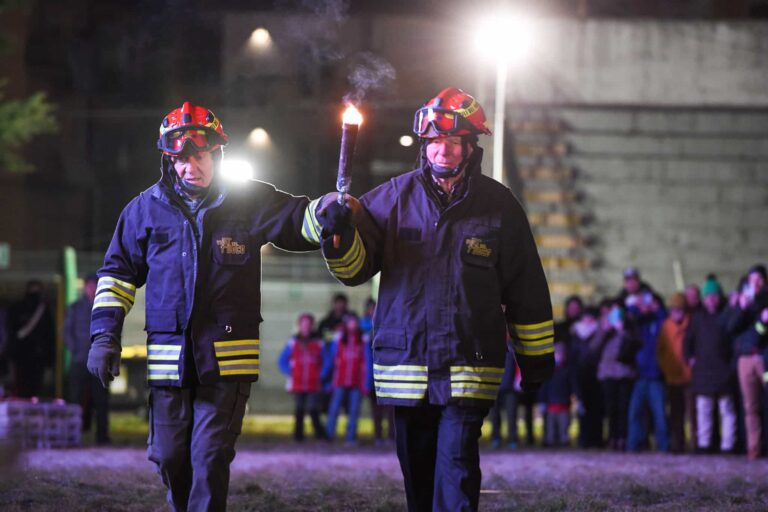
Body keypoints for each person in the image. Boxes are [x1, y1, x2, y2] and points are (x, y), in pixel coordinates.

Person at [312, 87, 554, 511]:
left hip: (468, 365)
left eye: (454, 141)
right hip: (407, 368)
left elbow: (526, 287)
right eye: (436, 141)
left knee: (457, 467)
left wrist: (535, 362)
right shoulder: (390, 199)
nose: (444, 150)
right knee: (418, 479)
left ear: (469, 147)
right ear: (425, 145)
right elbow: (354, 272)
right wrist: (338, 235)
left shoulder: (499, 206)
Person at [87, 102, 322, 510]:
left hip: (226, 365)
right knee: (171, 457)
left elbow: (299, 221)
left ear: (216, 154)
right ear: (168, 159)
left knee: (209, 458)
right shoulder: (143, 211)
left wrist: (328, 212)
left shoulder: (249, 202)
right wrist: (104, 336)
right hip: (169, 365)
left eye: (198, 156)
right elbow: (116, 277)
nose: (189, 167)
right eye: (179, 159)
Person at [685, 277, 737, 453]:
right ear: (704, 298)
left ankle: (728, 445)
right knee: (704, 410)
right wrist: (689, 358)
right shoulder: (697, 319)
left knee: (726, 410)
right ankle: (704, 444)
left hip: (723, 371)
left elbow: (733, 342)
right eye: (709, 296)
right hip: (703, 372)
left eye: (715, 296)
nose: (712, 299)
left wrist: (731, 365)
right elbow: (688, 342)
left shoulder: (727, 316)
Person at [725, 264, 768, 459]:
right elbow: (730, 327)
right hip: (745, 360)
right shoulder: (744, 303)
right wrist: (741, 308)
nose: (756, 283)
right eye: (752, 280)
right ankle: (754, 448)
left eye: (759, 279)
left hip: (764, 359)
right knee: (750, 406)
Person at [64, 274, 110, 444]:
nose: (91, 289)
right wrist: (75, 349)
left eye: (94, 286)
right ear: (84, 287)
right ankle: (72, 436)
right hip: (80, 359)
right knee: (75, 400)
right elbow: (67, 331)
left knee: (101, 401)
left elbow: (113, 332)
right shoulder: (75, 308)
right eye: (89, 285)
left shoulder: (105, 307)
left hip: (99, 361)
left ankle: (102, 436)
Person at [625, 283, 669, 453]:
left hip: (656, 375)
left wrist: (655, 308)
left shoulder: (659, 321)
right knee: (635, 412)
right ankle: (634, 445)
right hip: (641, 375)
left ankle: (663, 446)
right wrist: (637, 306)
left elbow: (665, 318)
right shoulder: (640, 322)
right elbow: (629, 318)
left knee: (659, 414)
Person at [278, 313, 328, 442]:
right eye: (303, 324)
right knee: (299, 410)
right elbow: (282, 361)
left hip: (313, 382)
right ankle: (298, 436)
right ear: (299, 326)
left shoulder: (318, 342)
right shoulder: (293, 342)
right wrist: (291, 372)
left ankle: (320, 435)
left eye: (308, 324)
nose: (305, 327)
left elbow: (327, 361)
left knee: (313, 409)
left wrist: (321, 375)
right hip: (298, 382)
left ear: (312, 326)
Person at [597, 304, 638, 451]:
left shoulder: (629, 331)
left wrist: (622, 331)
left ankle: (622, 438)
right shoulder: (605, 332)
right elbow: (595, 349)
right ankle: (612, 438)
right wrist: (605, 331)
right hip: (608, 375)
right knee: (611, 408)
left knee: (623, 408)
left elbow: (631, 347)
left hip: (624, 375)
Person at [6, 280, 55, 398]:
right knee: (30, 388)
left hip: (29, 356)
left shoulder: (41, 310)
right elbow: (49, 335)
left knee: (26, 388)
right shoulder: (41, 310)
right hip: (28, 356)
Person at [656, 292, 692, 453]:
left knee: (692, 413)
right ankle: (677, 444)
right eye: (673, 309)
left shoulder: (691, 324)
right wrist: (667, 368)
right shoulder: (666, 326)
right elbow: (660, 351)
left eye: (679, 309)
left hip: (690, 377)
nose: (676, 313)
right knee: (675, 414)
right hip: (672, 377)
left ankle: (698, 444)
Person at [325, 313, 367, 444]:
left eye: (354, 322)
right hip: (339, 381)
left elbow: (366, 362)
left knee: (354, 411)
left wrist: (365, 383)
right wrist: (329, 380)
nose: (352, 324)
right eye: (350, 322)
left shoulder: (362, 340)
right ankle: (329, 435)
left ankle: (351, 437)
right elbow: (332, 359)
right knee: (334, 409)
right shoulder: (339, 339)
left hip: (356, 382)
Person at [569, 307, 605, 448]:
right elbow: (572, 357)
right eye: (585, 317)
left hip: (596, 376)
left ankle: (597, 439)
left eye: (590, 317)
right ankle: (584, 439)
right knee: (582, 409)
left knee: (597, 409)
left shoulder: (599, 333)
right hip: (580, 375)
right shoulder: (575, 334)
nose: (588, 320)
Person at [538, 342, 575, 447]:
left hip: (564, 403)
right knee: (550, 425)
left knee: (564, 424)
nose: (558, 356)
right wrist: (542, 401)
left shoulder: (567, 370)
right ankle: (550, 441)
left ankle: (564, 440)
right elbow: (543, 388)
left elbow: (572, 385)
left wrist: (575, 397)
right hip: (551, 404)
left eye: (560, 354)